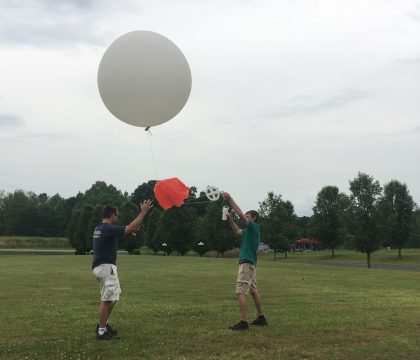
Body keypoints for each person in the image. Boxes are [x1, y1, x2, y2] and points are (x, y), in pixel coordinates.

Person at [92, 200, 153, 340]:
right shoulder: (107, 229)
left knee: (113, 296)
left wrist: (128, 230)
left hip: (102, 267)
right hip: (106, 267)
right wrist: (143, 211)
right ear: (112, 215)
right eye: (117, 215)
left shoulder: (99, 228)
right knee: (107, 299)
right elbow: (130, 228)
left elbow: (126, 229)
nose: (117, 217)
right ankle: (101, 331)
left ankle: (103, 325)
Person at [223, 192, 268, 331]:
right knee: (254, 291)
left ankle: (243, 322)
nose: (245, 218)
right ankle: (261, 318)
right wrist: (229, 217)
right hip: (250, 265)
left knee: (240, 292)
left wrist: (230, 199)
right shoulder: (248, 231)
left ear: (254, 218)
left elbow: (241, 215)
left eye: (248, 217)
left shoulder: (253, 227)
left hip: (246, 265)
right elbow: (237, 230)